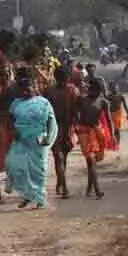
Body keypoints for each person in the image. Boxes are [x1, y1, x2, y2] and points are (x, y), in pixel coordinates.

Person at [7, 75, 59, 209]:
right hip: (21, 140)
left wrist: (48, 137)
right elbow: (10, 119)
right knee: (16, 166)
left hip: (39, 139)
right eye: (22, 89)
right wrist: (14, 130)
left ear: (34, 88)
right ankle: (27, 195)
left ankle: (39, 197)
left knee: (39, 170)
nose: (25, 91)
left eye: (28, 88)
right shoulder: (16, 103)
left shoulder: (43, 102)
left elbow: (51, 121)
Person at [74, 79, 113, 199]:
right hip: (84, 132)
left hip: (96, 132)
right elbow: (74, 113)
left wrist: (112, 136)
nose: (91, 91)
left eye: (95, 90)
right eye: (90, 89)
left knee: (93, 162)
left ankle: (89, 188)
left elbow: (109, 120)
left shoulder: (104, 102)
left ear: (100, 91)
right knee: (91, 161)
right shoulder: (82, 99)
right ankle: (97, 190)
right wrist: (75, 127)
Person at [44, 67, 79, 199]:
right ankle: (64, 188)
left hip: (56, 128)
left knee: (60, 157)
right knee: (60, 157)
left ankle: (60, 181)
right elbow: (77, 111)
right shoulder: (73, 90)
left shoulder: (49, 91)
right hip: (65, 128)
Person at [108, 81, 128, 146]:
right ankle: (113, 142)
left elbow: (125, 105)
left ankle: (117, 143)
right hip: (110, 114)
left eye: (114, 87)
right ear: (109, 88)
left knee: (116, 130)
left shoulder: (121, 95)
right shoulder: (108, 96)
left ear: (117, 87)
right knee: (111, 129)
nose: (113, 88)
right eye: (111, 87)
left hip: (118, 113)